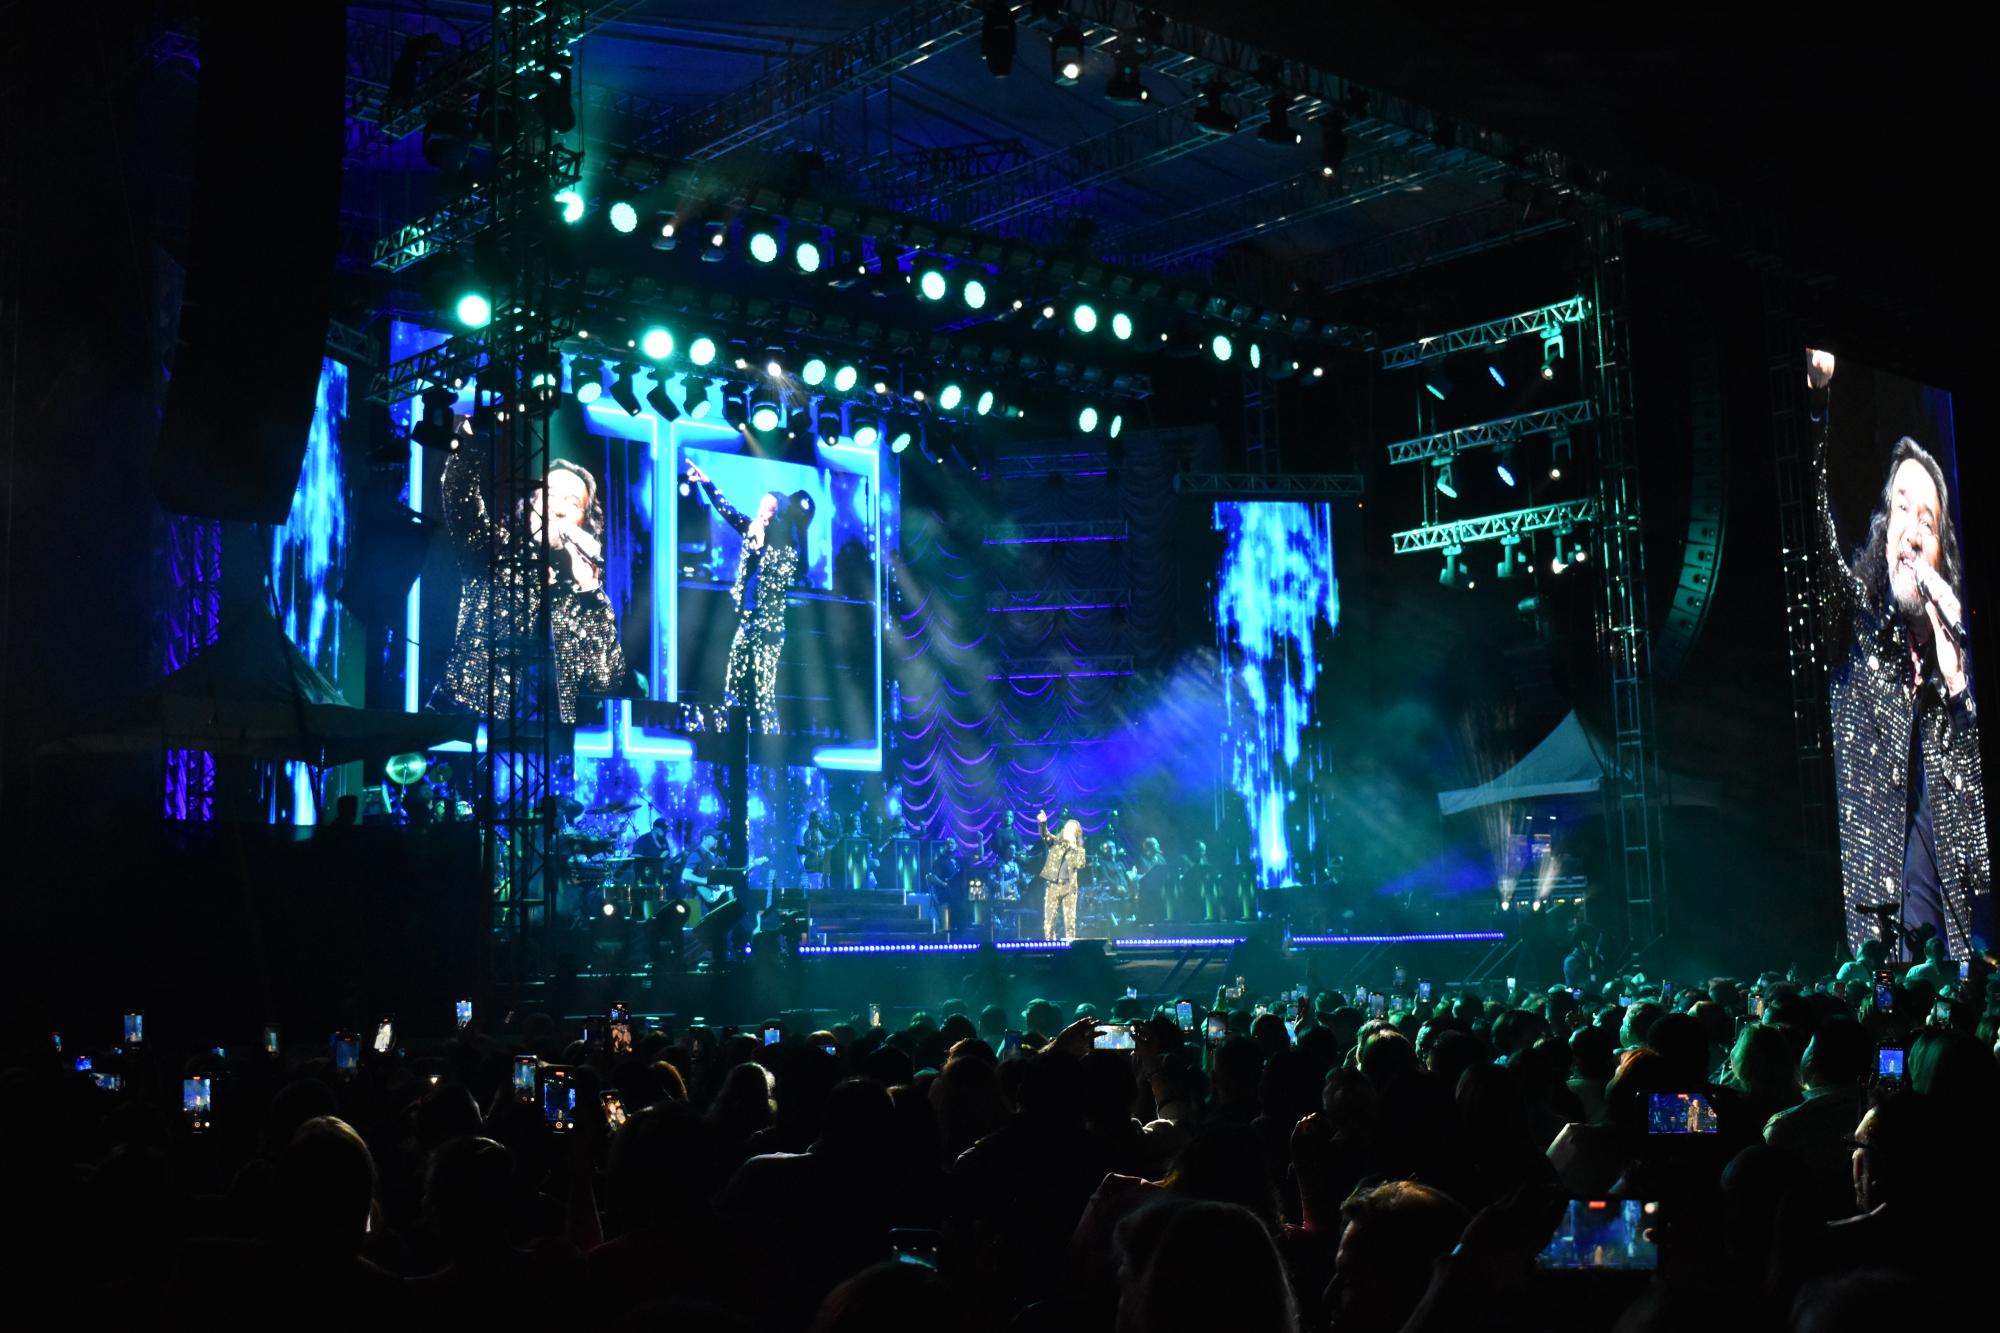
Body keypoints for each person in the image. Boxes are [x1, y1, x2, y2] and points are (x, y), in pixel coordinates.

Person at [1809, 351, 1987, 961]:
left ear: (1940, 552)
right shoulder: (1853, 628)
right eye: (1903, 508)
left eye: (1929, 520)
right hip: (1877, 969)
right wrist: (1818, 405)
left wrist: (1962, 688)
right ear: (1886, 533)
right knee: (1889, 1054)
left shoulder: (1954, 684)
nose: (1915, 526)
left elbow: (1978, 851)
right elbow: (1817, 529)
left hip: (1952, 976)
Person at [432, 436, 628, 724]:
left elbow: (606, 679)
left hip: (548, 745)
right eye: (548, 496)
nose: (557, 509)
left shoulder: (583, 594)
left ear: (584, 523)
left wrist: (590, 589)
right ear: (531, 505)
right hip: (463, 723)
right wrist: (473, 439)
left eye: (572, 503)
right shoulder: (495, 552)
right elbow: (459, 495)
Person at [685, 461, 812, 733]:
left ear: (779, 516)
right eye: (761, 506)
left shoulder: (787, 548)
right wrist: (707, 483)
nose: (761, 512)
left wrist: (760, 549)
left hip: (769, 629)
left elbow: (790, 572)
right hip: (746, 620)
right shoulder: (752, 529)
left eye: (769, 509)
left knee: (764, 692)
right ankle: (731, 737)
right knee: (734, 683)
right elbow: (727, 511)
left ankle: (770, 745)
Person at [1036, 810, 1087, 941]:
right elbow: (1045, 835)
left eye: (1071, 829)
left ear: (1076, 833)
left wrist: (1074, 847)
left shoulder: (1079, 850)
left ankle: (1070, 951)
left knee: (1070, 922)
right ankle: (1050, 948)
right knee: (1049, 921)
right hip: (1052, 886)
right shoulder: (1055, 843)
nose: (1068, 830)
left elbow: (1080, 865)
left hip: (1069, 888)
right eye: (1067, 828)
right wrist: (1043, 823)